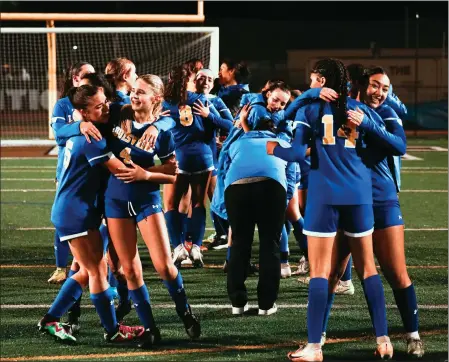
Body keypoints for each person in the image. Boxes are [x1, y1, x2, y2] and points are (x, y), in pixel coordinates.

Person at [267, 58, 393, 361]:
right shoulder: (360, 109)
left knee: (320, 272)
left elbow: (296, 151)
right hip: (360, 194)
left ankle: (313, 346)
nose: (310, 85)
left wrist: (274, 149)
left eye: (313, 80)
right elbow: (385, 142)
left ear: (321, 80)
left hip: (325, 194)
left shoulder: (310, 108)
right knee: (368, 270)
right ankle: (384, 339)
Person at [323, 66, 423, 358]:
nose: (380, 92)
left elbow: (399, 145)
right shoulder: (340, 110)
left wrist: (368, 123)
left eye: (385, 88)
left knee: (396, 272)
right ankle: (319, 335)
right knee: (331, 272)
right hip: (348, 199)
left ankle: (413, 335)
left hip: (380, 199)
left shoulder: (387, 113)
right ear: (360, 85)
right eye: (375, 86)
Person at [39, 84, 145, 344]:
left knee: (87, 271)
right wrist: (158, 170)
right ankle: (112, 330)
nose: (105, 107)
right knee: (97, 271)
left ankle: (51, 319)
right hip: (76, 213)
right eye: (98, 106)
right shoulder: (91, 139)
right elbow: (120, 170)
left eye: (105, 101)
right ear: (83, 113)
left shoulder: (88, 133)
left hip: (75, 210)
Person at [104, 74, 201, 346]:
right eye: (134, 90)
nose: (134, 96)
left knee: (164, 267)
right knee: (130, 270)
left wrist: (144, 175)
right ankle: (150, 329)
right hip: (115, 202)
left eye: (142, 92)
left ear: (156, 98)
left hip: (147, 200)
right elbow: (89, 108)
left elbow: (172, 173)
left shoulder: (164, 131)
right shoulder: (118, 112)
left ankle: (185, 312)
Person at [142, 65, 223, 268]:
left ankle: (178, 247)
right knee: (198, 203)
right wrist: (210, 118)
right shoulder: (202, 100)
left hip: (180, 157)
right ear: (190, 80)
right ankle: (195, 247)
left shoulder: (166, 103)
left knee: (171, 204)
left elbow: (160, 127)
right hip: (204, 157)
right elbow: (229, 124)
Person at [223, 106, 296, 315]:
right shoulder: (281, 142)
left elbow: (225, 167)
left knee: (239, 243)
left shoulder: (237, 143)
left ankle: (237, 303)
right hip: (271, 187)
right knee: (269, 244)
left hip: (236, 188)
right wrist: (283, 201)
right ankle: (266, 304)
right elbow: (291, 178)